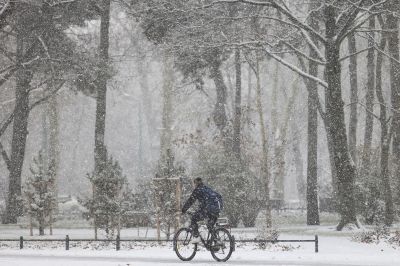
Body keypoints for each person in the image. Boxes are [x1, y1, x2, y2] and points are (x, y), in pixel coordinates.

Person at [181, 177, 223, 244]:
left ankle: (196, 237)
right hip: (216, 209)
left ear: (196, 183)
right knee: (210, 225)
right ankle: (216, 241)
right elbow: (216, 197)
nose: (194, 185)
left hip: (208, 209)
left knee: (194, 219)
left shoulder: (198, 190)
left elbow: (190, 201)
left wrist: (183, 210)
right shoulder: (207, 188)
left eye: (194, 183)